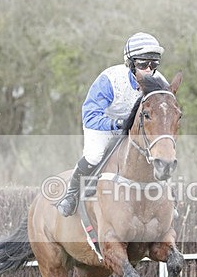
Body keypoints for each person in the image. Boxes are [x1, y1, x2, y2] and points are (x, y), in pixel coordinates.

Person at [56, 32, 165, 217]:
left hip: (135, 130)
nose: (149, 69)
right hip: (103, 126)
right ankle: (71, 195)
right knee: (94, 155)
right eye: (142, 64)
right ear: (130, 64)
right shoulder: (110, 80)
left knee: (159, 156)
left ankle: (170, 200)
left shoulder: (160, 82)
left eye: (153, 64)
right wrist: (118, 124)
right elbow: (90, 116)